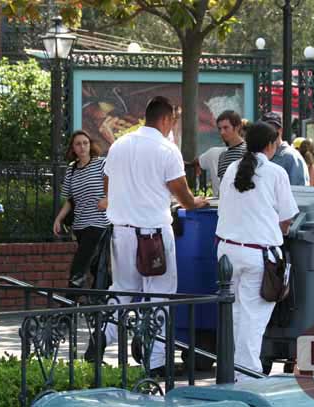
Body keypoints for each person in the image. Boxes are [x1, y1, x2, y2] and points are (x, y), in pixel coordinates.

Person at [84, 96, 207, 375]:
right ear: (165, 119)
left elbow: (108, 181)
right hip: (153, 233)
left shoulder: (119, 144)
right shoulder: (167, 149)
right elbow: (181, 192)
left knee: (123, 290)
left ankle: (102, 336)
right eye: (172, 121)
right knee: (159, 294)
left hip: (122, 231)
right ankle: (156, 361)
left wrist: (122, 199)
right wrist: (194, 203)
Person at [216, 121, 298, 381]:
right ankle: (247, 379)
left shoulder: (231, 169)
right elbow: (287, 218)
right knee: (252, 322)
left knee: (235, 317)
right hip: (257, 254)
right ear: (270, 144)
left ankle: (231, 373)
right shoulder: (275, 173)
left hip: (227, 252)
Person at [52, 130, 110, 292]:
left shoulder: (101, 164)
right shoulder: (72, 170)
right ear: (73, 148)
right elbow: (70, 200)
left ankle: (68, 309)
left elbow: (117, 185)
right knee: (97, 268)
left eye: (85, 142)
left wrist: (108, 199)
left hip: (99, 223)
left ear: (90, 144)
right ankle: (101, 306)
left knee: (79, 265)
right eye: (78, 144)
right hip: (80, 227)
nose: (82, 146)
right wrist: (59, 219)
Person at [261, 112, 309, 186]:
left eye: (272, 129)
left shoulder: (291, 157)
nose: (268, 133)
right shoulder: (260, 154)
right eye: (265, 130)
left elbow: (300, 190)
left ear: (280, 130)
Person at [216, 110, 246, 182]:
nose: (222, 132)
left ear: (237, 127)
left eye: (226, 128)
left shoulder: (248, 151)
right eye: (220, 129)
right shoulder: (222, 156)